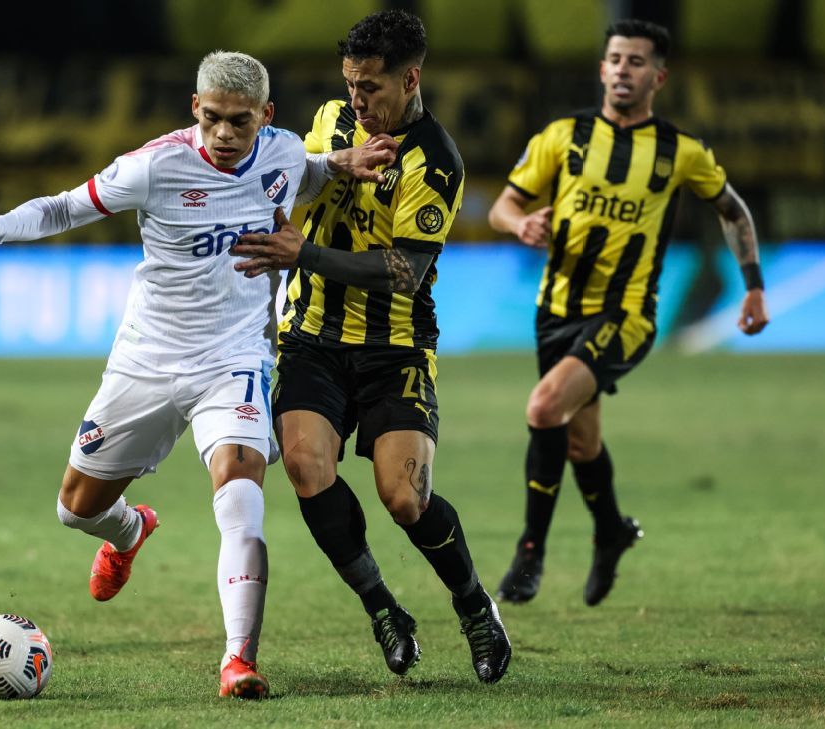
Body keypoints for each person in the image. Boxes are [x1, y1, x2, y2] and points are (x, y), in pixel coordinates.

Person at [0, 51, 394, 699]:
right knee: (75, 509)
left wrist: (340, 163)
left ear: (266, 116)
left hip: (234, 359)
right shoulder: (153, 166)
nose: (226, 134)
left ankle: (239, 659)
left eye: (241, 121)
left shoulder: (284, 155)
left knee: (240, 489)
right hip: (146, 359)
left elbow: (309, 171)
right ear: (194, 109)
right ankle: (130, 529)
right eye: (213, 119)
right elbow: (66, 208)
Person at [232, 10, 511, 684]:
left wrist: (305, 252)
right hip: (312, 339)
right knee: (303, 465)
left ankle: (475, 605)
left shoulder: (435, 161)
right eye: (351, 85)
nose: (359, 100)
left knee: (404, 498)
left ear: (410, 79)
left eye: (372, 88)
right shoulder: (328, 123)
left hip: (394, 348)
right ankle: (384, 607)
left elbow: (405, 273)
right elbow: (277, 178)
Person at [486, 20, 770, 607]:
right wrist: (522, 224)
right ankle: (611, 531)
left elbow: (734, 211)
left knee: (543, 408)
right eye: (615, 59)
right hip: (556, 312)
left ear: (658, 77)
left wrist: (754, 287)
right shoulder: (563, 137)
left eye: (636, 62)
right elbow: (504, 207)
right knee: (582, 444)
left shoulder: (679, 152)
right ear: (601, 69)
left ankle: (530, 552)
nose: (622, 69)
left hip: (627, 314)